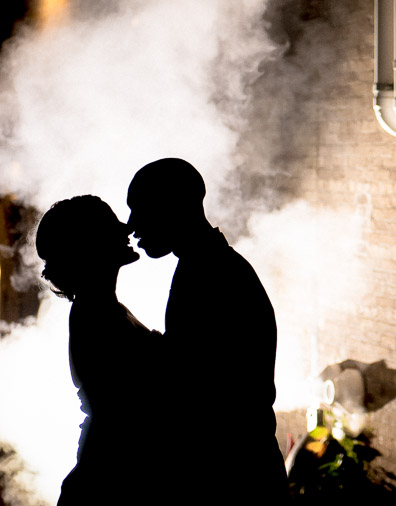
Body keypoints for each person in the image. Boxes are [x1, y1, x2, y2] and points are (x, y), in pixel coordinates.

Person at [127, 158, 288, 502]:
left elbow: (198, 387)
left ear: (174, 206)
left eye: (140, 209)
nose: (131, 225)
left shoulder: (212, 275)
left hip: (234, 478)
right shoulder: (207, 267)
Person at [36, 195, 162, 505]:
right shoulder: (96, 313)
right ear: (91, 246)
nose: (126, 229)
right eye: (111, 225)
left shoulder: (101, 308)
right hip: (115, 475)